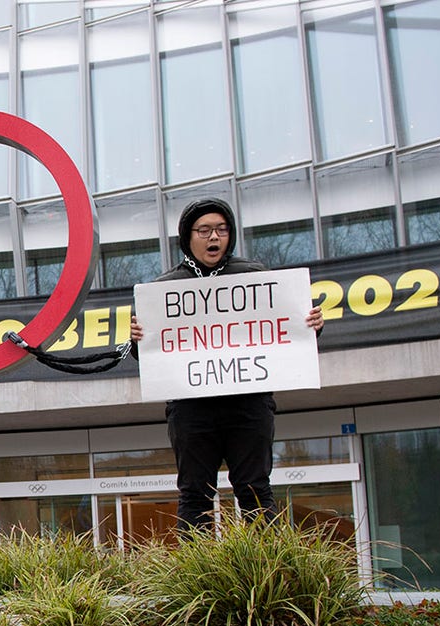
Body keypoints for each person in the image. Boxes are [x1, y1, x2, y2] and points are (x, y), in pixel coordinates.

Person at [129, 198, 324, 534]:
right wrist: (138, 340)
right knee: (194, 495)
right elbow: (152, 355)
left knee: (255, 490)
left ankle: (267, 575)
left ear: (230, 235)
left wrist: (310, 326)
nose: (213, 237)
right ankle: (196, 580)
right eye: (204, 230)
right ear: (187, 237)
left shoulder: (254, 276)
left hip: (248, 406)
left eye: (221, 229)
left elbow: (281, 333)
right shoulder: (163, 288)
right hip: (191, 411)